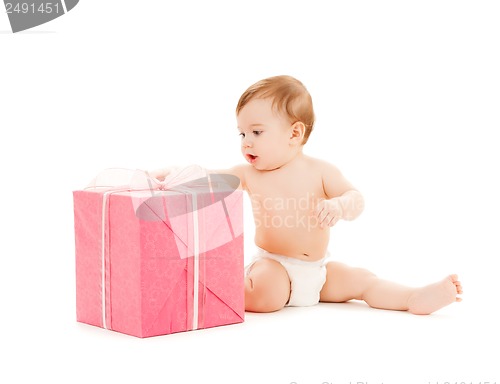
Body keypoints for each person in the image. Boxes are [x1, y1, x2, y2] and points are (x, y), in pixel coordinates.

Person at [150, 75, 462, 314]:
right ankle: (204, 286)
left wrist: (340, 205)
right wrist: (179, 175)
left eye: (257, 132)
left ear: (295, 133)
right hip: (274, 265)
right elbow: (210, 180)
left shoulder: (321, 170)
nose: (246, 141)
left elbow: (356, 199)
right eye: (242, 133)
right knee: (266, 295)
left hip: (318, 271)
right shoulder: (246, 174)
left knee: (362, 281)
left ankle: (413, 297)